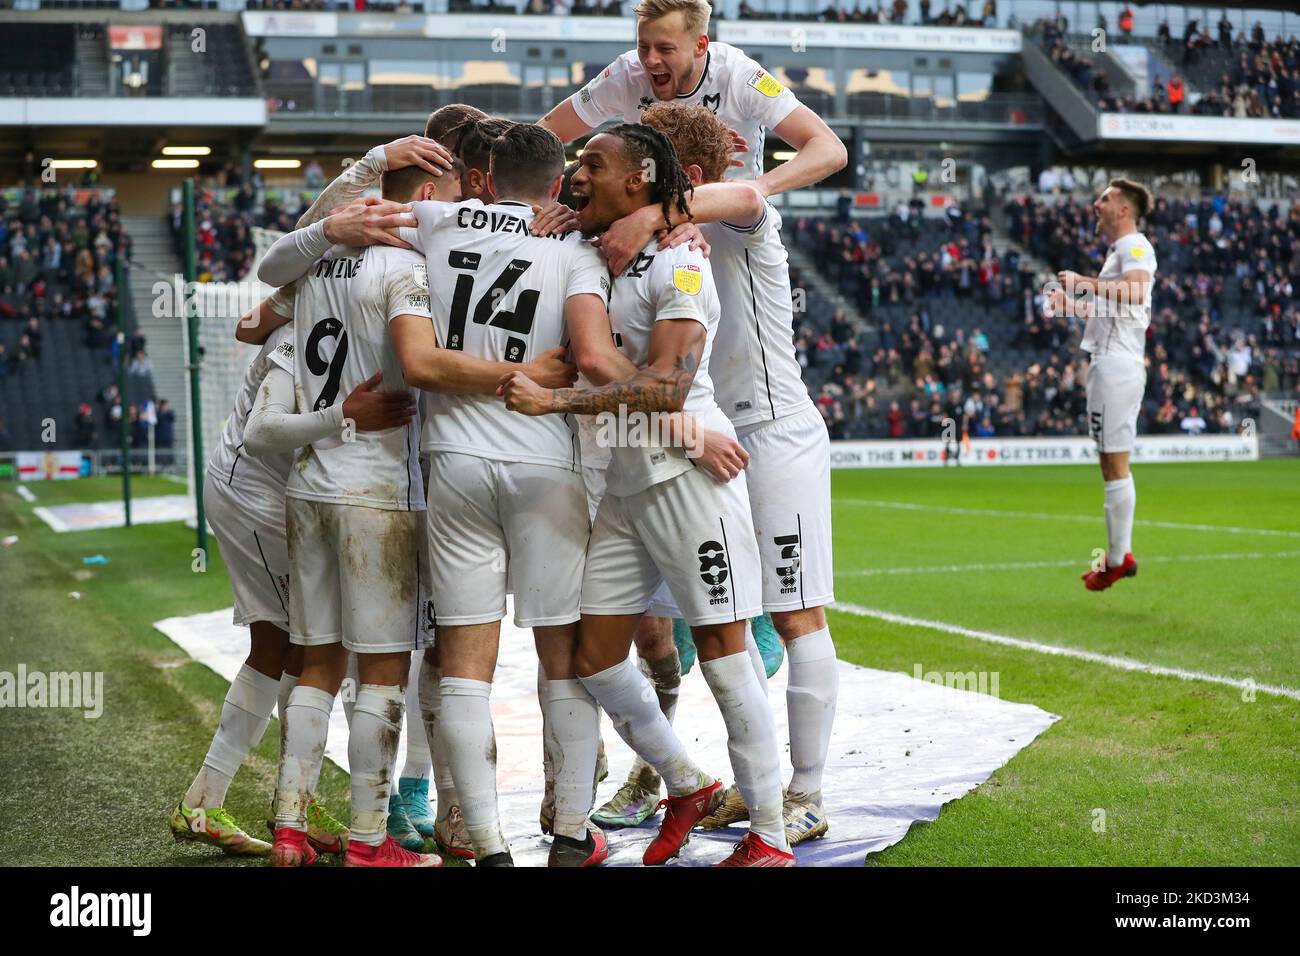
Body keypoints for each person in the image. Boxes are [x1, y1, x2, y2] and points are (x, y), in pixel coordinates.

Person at [500, 122, 794, 867]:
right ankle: (688, 783)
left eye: (591, 164)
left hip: (692, 482)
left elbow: (667, 386)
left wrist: (559, 404)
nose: (576, 175)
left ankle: (769, 835)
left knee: (727, 655)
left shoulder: (683, 261)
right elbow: (601, 362)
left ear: (640, 181)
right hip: (626, 482)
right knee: (596, 659)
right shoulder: (605, 254)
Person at [632, 102, 840, 847]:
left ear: (682, 179)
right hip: (712, 433)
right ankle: (759, 789)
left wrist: (660, 209)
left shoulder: (744, 215)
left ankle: (809, 792)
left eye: (648, 178)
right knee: (723, 621)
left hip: (776, 429)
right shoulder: (659, 240)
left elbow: (749, 195)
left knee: (796, 612)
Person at [254, 146, 451, 869]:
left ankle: (290, 829)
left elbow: (269, 275)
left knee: (315, 666)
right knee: (381, 673)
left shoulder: (314, 265)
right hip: (378, 491)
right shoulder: (408, 270)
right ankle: (370, 843)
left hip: (309, 487)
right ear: (427, 192)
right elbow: (422, 365)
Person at [538, 0, 846, 196]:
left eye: (665, 49)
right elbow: (545, 136)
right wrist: (542, 200)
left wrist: (757, 188)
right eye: (643, 46)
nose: (650, 60)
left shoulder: (739, 75)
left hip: (730, 224)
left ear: (700, 46)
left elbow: (830, 149)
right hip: (648, 219)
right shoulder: (626, 73)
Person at [1045, 179, 1158, 592]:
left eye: (1105, 199)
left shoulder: (1134, 246)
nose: (1097, 204)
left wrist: (1081, 282)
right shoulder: (1121, 251)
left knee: (1114, 464)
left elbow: (1136, 291)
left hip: (1117, 368)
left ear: (1124, 209)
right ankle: (1117, 556)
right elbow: (1116, 307)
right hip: (1113, 364)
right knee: (1109, 462)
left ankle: (1117, 558)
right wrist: (1071, 306)